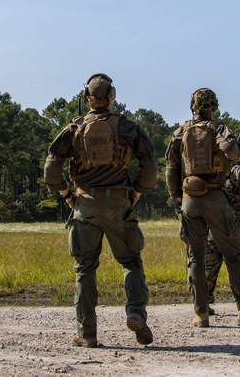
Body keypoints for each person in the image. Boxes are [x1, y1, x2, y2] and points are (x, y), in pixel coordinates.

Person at [44, 73, 158, 348]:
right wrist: (137, 193)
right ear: (112, 96)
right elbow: (150, 164)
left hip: (84, 205)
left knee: (85, 269)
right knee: (130, 262)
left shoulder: (74, 129)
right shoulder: (128, 128)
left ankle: (87, 334)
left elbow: (51, 168)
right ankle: (134, 313)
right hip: (119, 204)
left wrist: (67, 195)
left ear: (87, 99)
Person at [165, 88, 240, 327]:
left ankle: (200, 313)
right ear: (213, 106)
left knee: (195, 258)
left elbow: (171, 167)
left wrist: (177, 197)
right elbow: (232, 151)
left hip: (189, 198)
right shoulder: (219, 128)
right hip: (215, 196)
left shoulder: (180, 132)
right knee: (233, 255)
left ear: (192, 106)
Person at [205, 145, 240, 313]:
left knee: (209, 266)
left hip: (212, 224)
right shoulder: (239, 172)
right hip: (235, 225)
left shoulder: (212, 169)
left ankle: (203, 303)